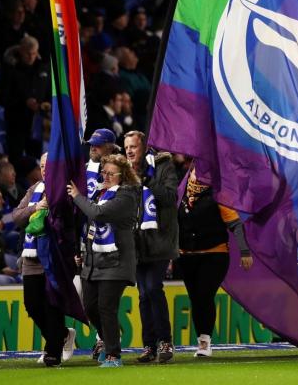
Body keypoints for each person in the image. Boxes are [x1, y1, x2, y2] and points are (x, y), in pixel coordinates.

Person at [66, 153, 139, 368]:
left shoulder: (126, 197)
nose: (105, 176)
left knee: (106, 307)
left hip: (116, 262)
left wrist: (78, 196)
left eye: (110, 173)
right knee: (90, 308)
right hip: (93, 261)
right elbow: (90, 227)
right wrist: (83, 251)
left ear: (122, 175)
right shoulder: (100, 192)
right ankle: (109, 340)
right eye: (103, 172)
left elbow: (97, 214)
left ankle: (114, 355)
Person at [176, 164, 253, 358]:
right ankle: (201, 341)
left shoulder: (219, 194)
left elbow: (235, 224)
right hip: (186, 256)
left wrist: (244, 251)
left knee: (204, 295)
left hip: (214, 254)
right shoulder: (181, 194)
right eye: (194, 173)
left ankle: (205, 341)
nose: (196, 176)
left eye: (201, 172)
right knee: (195, 298)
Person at [12, 153, 76, 367]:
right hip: (31, 257)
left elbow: (72, 220)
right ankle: (62, 335)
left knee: (52, 305)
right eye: (41, 166)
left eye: (49, 165)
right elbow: (17, 216)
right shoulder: (34, 190)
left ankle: (53, 352)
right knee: (32, 305)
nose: (44, 170)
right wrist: (35, 208)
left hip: (55, 257)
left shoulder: (66, 190)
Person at [125, 130, 178, 364]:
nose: (129, 151)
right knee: (143, 294)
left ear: (144, 147)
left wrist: (145, 179)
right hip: (135, 243)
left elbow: (168, 196)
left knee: (153, 288)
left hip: (159, 239)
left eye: (133, 147)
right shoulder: (122, 171)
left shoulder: (162, 165)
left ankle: (165, 341)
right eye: (126, 147)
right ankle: (149, 345)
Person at [84, 128, 117, 197]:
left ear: (110, 148)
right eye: (92, 144)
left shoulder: (119, 173)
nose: (93, 148)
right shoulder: (84, 168)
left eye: (97, 145)